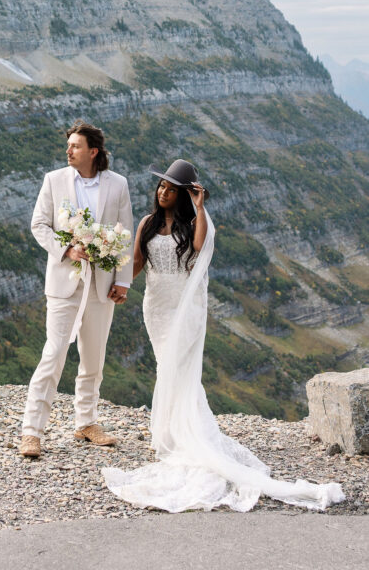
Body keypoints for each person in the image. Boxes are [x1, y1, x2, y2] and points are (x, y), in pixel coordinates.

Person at [101, 159, 345, 511]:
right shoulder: (147, 223)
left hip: (185, 308)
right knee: (164, 367)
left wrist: (200, 208)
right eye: (161, 186)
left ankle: (189, 434)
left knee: (182, 370)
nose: (163, 192)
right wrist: (121, 287)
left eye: (171, 188)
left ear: (184, 195)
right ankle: (170, 432)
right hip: (156, 306)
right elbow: (136, 262)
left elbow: (199, 246)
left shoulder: (192, 224)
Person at [20, 119, 133, 458]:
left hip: (102, 285)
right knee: (53, 354)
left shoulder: (118, 185)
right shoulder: (53, 180)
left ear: (93, 152)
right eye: (68, 145)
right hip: (64, 283)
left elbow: (125, 231)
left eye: (75, 146)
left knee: (94, 358)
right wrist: (66, 249)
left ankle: (86, 422)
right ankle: (31, 431)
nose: (68, 150)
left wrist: (123, 281)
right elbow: (38, 224)